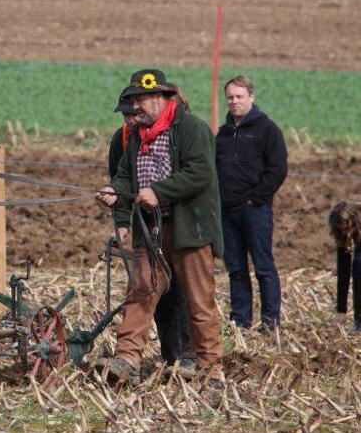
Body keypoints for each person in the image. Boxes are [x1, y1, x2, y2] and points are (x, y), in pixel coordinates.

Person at [98, 69, 224, 387]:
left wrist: (158, 191)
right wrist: (114, 191)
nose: (134, 107)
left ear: (159, 97)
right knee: (141, 291)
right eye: (132, 101)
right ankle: (127, 359)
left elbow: (200, 172)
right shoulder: (136, 135)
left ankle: (210, 368)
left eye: (139, 100)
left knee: (199, 299)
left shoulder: (192, 128)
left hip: (189, 229)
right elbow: (125, 175)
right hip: (149, 228)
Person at [109, 90, 196, 372]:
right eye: (126, 114)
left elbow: (195, 177)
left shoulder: (180, 136)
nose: (130, 119)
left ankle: (189, 355)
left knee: (184, 292)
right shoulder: (124, 139)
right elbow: (120, 182)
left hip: (181, 225)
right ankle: (166, 356)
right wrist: (122, 221)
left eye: (134, 113)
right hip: (146, 226)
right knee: (149, 290)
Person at [215, 75, 288, 330]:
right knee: (235, 268)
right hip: (227, 211)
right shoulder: (223, 134)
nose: (234, 101)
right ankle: (240, 321)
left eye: (239, 96)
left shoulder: (267, 130)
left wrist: (256, 197)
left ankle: (270, 322)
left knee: (263, 267)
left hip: (255, 210)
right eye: (230, 97)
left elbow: (278, 169)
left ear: (251, 97)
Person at [328, 201, 361, 334]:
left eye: (346, 228)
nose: (344, 232)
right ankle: (359, 321)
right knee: (357, 267)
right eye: (340, 230)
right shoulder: (342, 233)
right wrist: (341, 310)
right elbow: (343, 271)